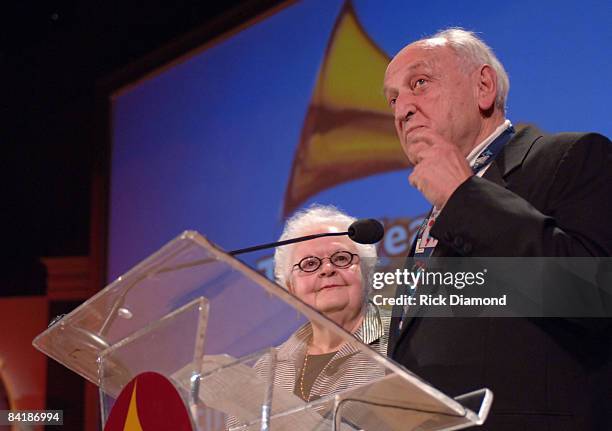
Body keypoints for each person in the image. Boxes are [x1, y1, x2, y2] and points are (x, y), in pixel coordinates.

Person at [383, 28, 612, 429]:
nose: (402, 109)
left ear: (483, 87)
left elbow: (595, 294)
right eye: (393, 99)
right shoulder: (428, 229)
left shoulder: (572, 158)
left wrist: (465, 197)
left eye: (419, 83)